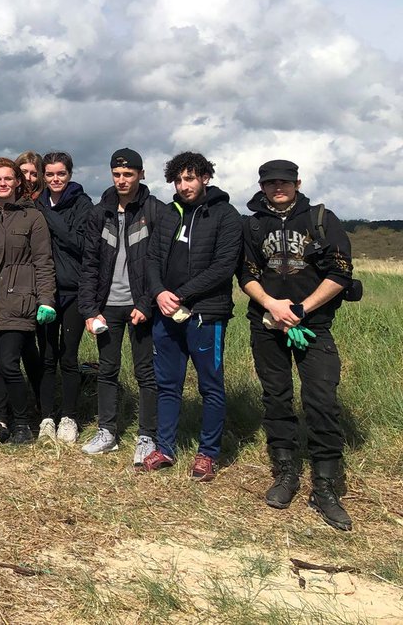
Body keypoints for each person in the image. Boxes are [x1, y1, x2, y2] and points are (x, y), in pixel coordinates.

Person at [239, 160, 356, 530]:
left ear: (297, 183)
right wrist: (272, 305)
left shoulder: (321, 218)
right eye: (270, 182)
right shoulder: (253, 224)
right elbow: (246, 273)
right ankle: (286, 472)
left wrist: (303, 309)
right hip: (267, 324)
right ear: (261, 185)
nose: (277, 187)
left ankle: (325, 485)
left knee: (321, 400)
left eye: (284, 182)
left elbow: (340, 271)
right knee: (276, 397)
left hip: (314, 325)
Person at [141, 151, 242, 481]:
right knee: (167, 385)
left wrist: (181, 294)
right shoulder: (169, 214)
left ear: (204, 178)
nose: (184, 185)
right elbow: (152, 260)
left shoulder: (225, 215)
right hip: (166, 313)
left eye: (190, 178)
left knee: (210, 387)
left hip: (206, 314)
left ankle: (207, 454)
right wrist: (159, 293)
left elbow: (224, 266)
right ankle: (165, 447)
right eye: (178, 180)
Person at [77, 149, 164, 462]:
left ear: (141, 174)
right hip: (107, 306)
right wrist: (89, 309)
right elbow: (89, 264)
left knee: (146, 373)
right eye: (117, 174)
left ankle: (147, 436)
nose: (122, 180)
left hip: (141, 306)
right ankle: (107, 432)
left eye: (128, 174)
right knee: (107, 371)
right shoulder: (100, 212)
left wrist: (146, 303)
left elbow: (160, 263)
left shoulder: (155, 211)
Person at [0, 157, 56, 445]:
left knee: (8, 363)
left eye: (8, 179)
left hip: (20, 301)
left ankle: (21, 423)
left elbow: (44, 261)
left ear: (18, 182)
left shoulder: (33, 217)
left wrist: (46, 300)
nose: (3, 183)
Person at [34, 151, 93, 443]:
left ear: (69, 174)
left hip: (73, 291)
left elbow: (81, 243)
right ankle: (46, 417)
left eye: (61, 174)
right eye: (50, 174)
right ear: (43, 176)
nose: (55, 179)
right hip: (44, 292)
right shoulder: (36, 204)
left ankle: (69, 417)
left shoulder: (83, 204)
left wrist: (51, 218)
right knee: (46, 357)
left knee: (68, 357)